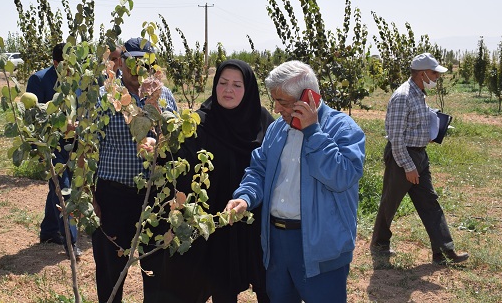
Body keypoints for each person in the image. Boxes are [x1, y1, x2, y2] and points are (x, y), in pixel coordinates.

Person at [225, 60, 365, 303]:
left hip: (321, 249)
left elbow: (342, 176)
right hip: (278, 244)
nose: (277, 108)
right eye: (275, 100)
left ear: (308, 98)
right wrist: (245, 196)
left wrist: (313, 132)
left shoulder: (342, 129)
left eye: (283, 102)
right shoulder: (278, 129)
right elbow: (259, 169)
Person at [154, 59, 274, 302]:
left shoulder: (263, 122)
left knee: (267, 286)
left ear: (249, 89)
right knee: (222, 287)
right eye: (223, 83)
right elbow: (177, 163)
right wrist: (159, 146)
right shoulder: (199, 122)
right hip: (214, 223)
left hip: (252, 220)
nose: (228, 90)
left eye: (237, 85)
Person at [91, 37, 178, 303]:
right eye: (131, 61)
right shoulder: (105, 96)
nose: (137, 68)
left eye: (144, 62)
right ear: (120, 62)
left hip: (155, 198)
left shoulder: (164, 96)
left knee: (158, 271)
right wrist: (90, 196)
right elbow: (88, 148)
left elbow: (176, 145)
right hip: (113, 197)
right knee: (110, 272)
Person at [370, 53, 469, 265]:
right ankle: (379, 244)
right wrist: (408, 166)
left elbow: (414, 124)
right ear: (422, 73)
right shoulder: (402, 96)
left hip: (419, 155)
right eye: (434, 73)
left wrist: (431, 132)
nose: (437, 77)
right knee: (390, 202)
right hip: (402, 156)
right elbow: (396, 138)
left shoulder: (419, 94)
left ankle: (444, 251)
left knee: (430, 201)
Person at [28, 42, 81, 258]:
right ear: (56, 63)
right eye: (66, 65)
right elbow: (32, 118)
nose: (71, 70)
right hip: (52, 145)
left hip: (74, 144)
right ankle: (71, 242)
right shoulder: (39, 80)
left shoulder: (76, 80)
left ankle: (50, 232)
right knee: (63, 189)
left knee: (59, 187)